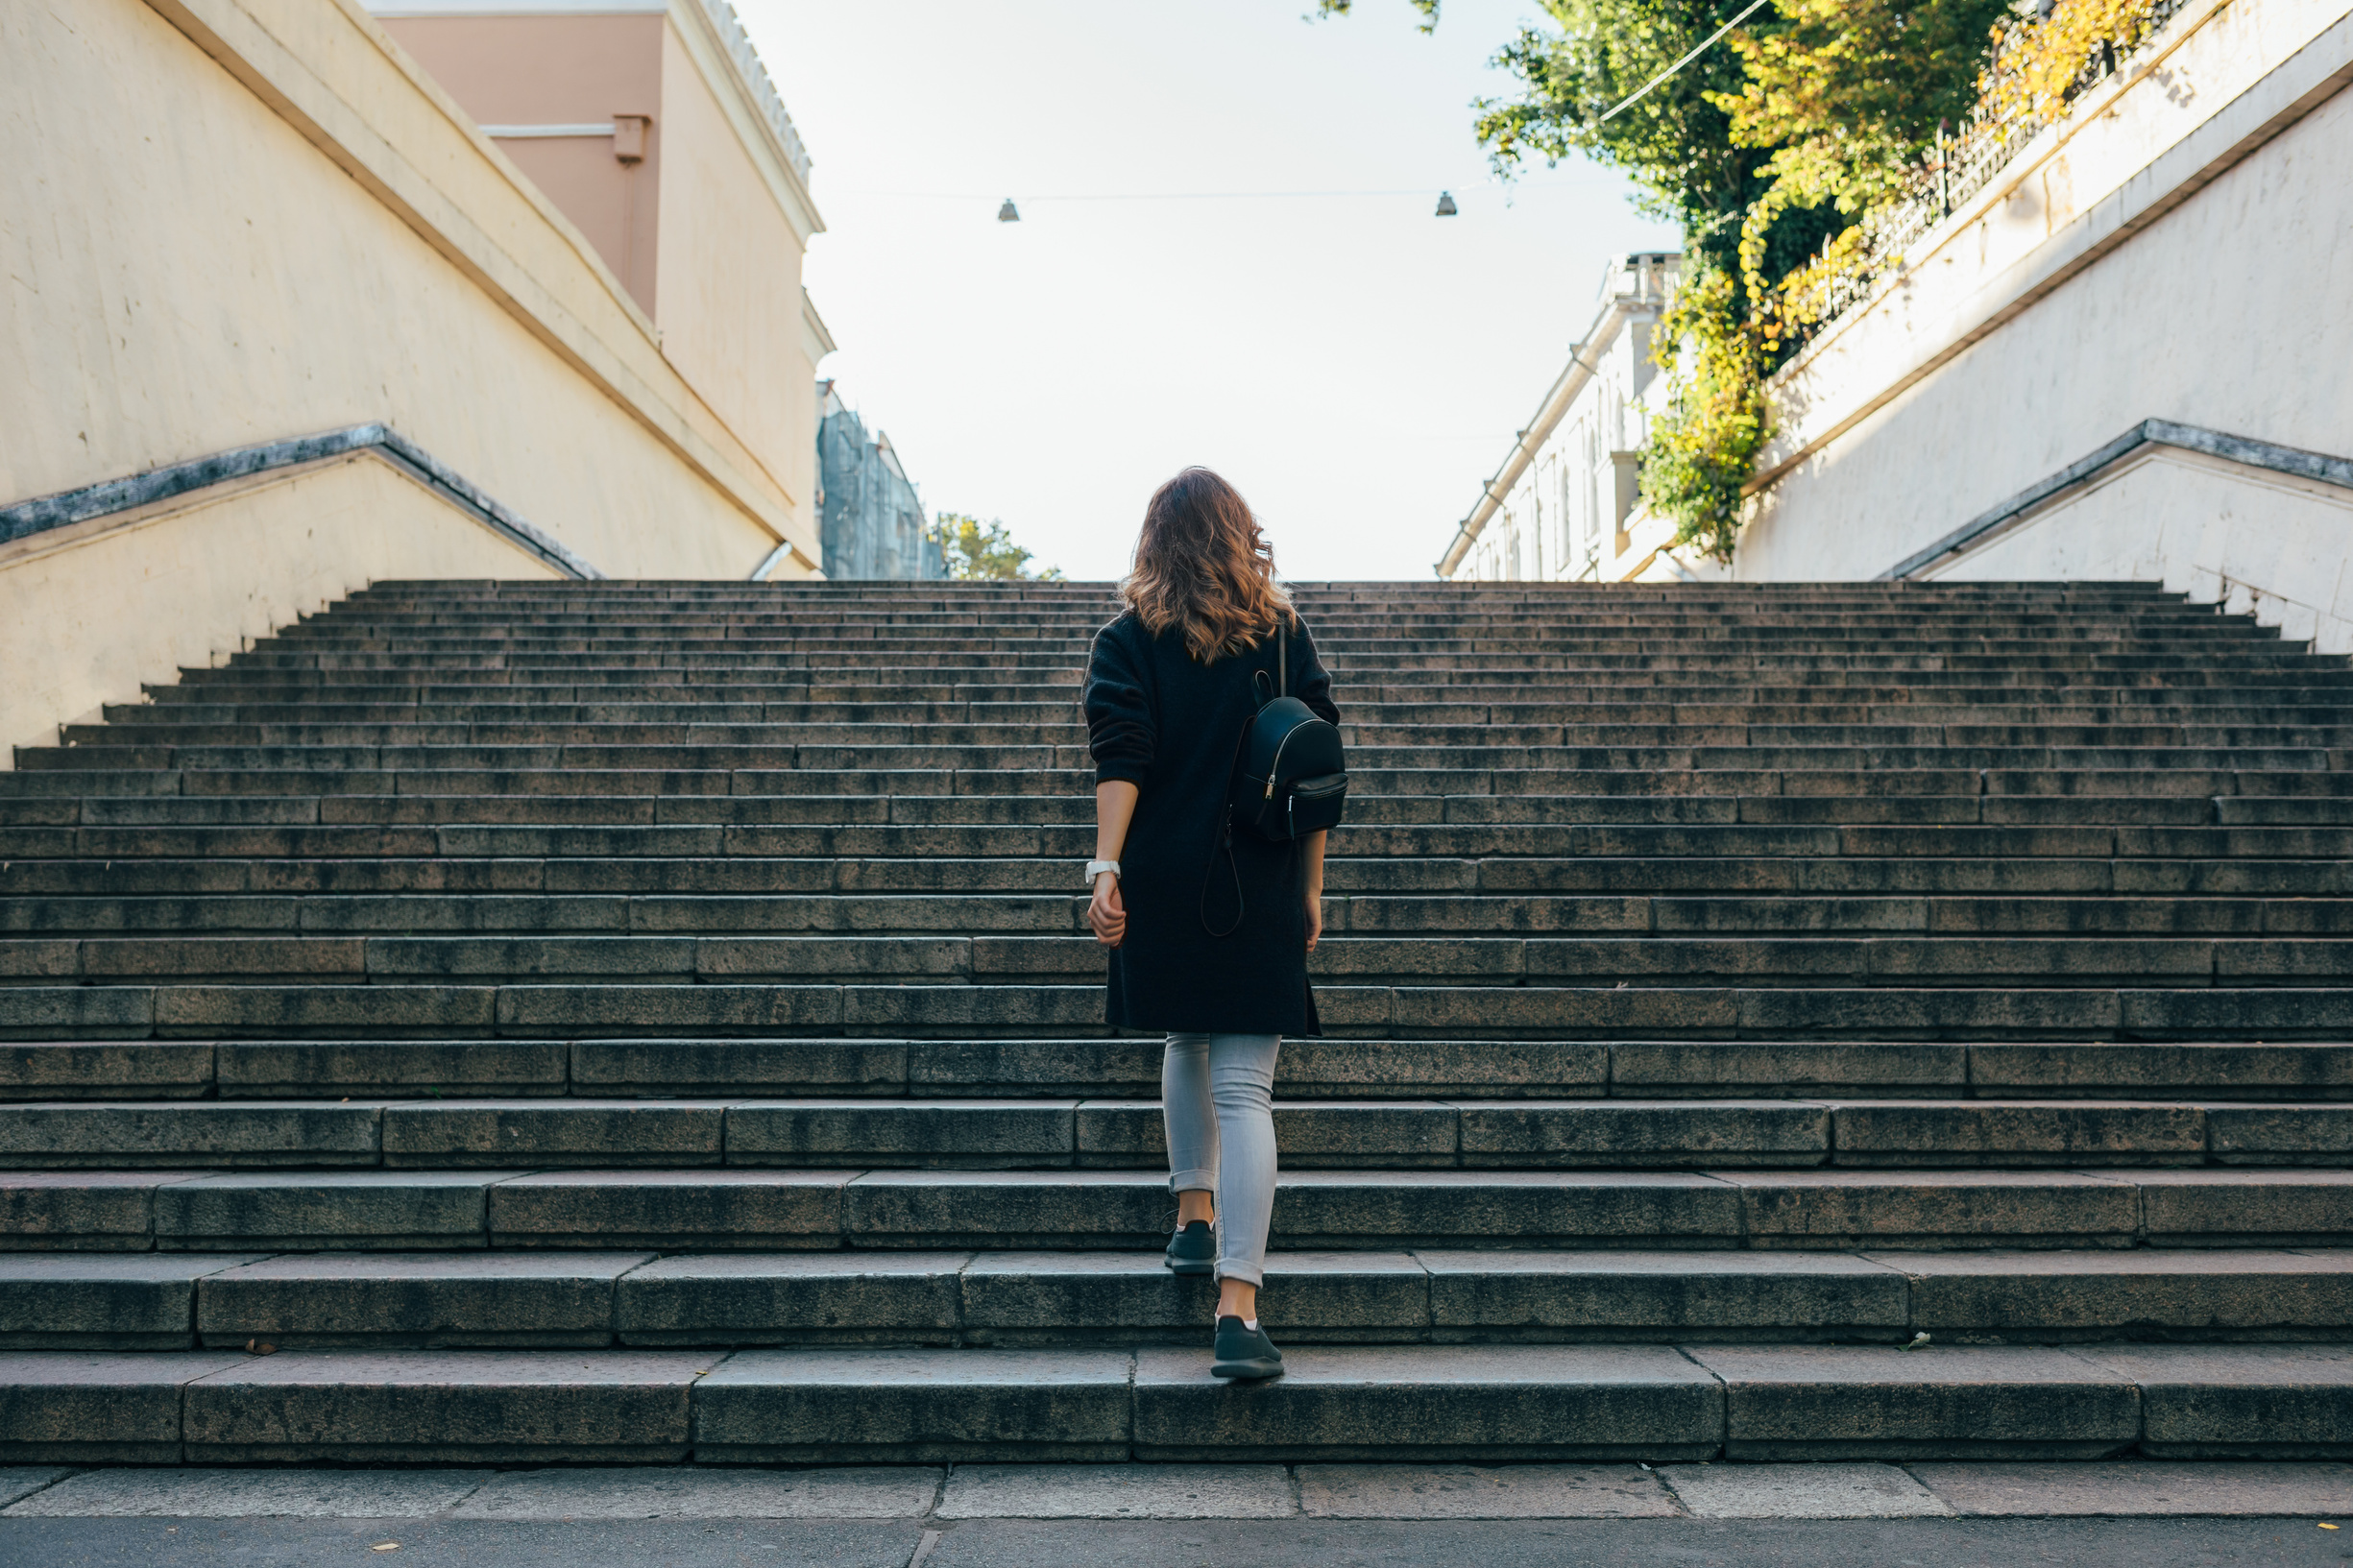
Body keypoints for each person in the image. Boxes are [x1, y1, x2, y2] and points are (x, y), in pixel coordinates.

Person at [1080, 467, 1339, 1382]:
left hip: (1162, 875)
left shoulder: (1126, 639)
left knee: (1185, 1036)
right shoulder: (1282, 636)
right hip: (1259, 878)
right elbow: (1316, 769)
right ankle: (1237, 1309)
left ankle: (1195, 1218)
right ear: (1239, 533)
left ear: (1154, 541)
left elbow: (1122, 755)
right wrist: (1311, 886)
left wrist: (1107, 866)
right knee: (1246, 1091)